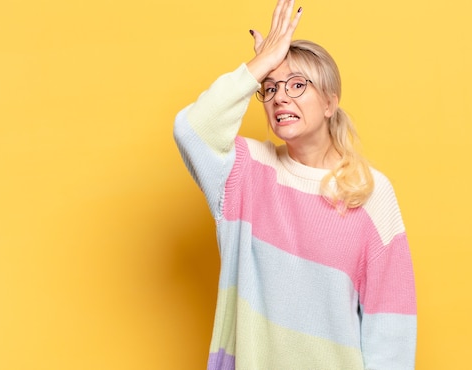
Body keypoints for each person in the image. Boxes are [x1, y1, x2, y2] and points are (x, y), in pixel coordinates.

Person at [173, 0, 416, 368]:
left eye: (297, 84)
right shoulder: (246, 171)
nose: (280, 96)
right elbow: (191, 129)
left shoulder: (370, 194)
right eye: (269, 88)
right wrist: (259, 65)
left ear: (330, 102)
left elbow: (391, 330)